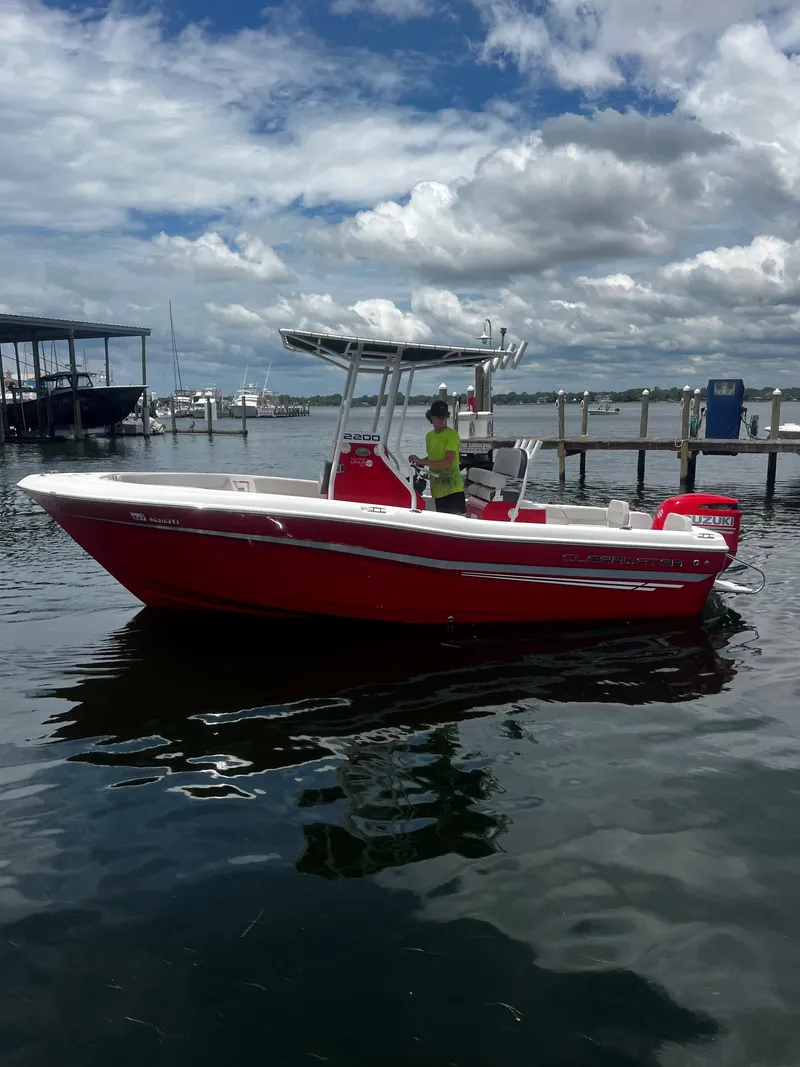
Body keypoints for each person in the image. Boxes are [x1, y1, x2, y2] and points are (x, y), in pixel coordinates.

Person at [409, 399, 466, 515]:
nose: (441, 419)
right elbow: (433, 457)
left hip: (453, 489)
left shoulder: (452, 435)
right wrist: (420, 461)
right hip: (438, 490)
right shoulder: (429, 436)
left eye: (444, 417)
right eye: (438, 416)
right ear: (431, 417)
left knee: (453, 524)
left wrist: (423, 461)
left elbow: (448, 462)